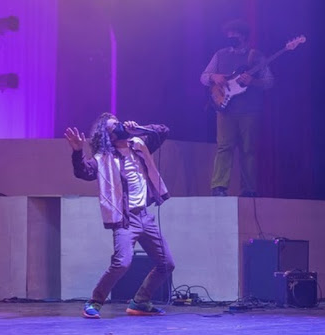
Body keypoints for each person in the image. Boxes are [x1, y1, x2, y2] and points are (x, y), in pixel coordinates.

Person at [64, 113, 175, 319]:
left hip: (145, 216)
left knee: (167, 263)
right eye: (115, 126)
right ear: (110, 136)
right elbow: (84, 172)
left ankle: (140, 302)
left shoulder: (140, 145)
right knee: (122, 262)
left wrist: (140, 126)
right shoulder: (104, 158)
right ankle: (95, 302)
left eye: (119, 122)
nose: (121, 125)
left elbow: (163, 130)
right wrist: (78, 152)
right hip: (125, 220)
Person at [201, 19, 274, 197]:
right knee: (224, 147)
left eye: (234, 33)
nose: (230, 36)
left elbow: (269, 81)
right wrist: (214, 77)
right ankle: (219, 187)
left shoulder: (255, 56)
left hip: (250, 110)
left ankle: (248, 189)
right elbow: (203, 76)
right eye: (228, 33)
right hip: (225, 109)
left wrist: (253, 81)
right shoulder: (220, 55)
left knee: (248, 150)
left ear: (243, 36)